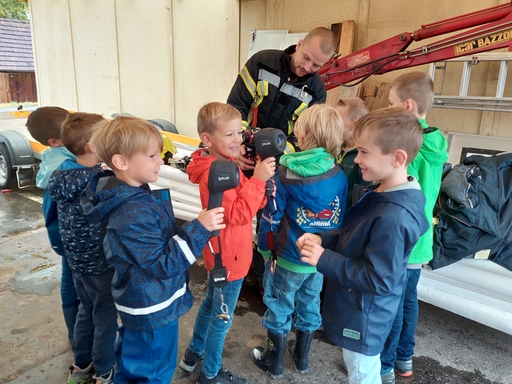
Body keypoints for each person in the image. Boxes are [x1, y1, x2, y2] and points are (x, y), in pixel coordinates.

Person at [80, 116, 226, 384]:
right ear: (121, 162)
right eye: (152, 156)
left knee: (135, 362)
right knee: (153, 372)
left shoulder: (130, 194)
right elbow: (163, 264)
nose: (161, 161)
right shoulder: (131, 211)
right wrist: (199, 229)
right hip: (152, 308)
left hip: (146, 302)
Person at [297, 108, 430, 384]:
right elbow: (355, 232)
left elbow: (378, 279)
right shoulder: (383, 190)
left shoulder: (395, 217)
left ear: (397, 158)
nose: (356, 159)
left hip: (364, 318)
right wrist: (325, 239)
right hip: (358, 309)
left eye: (364, 152)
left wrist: (324, 258)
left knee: (362, 373)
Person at [227, 26, 336, 289]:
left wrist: (274, 158)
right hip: (240, 156)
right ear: (299, 44)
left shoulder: (316, 92)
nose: (307, 67)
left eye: (316, 65)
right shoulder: (261, 62)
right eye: (306, 58)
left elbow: (304, 138)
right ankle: (231, 268)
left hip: (277, 166)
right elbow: (235, 107)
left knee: (267, 219)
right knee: (235, 215)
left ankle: (259, 276)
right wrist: (238, 145)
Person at [178, 102, 276, 384]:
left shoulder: (221, 163)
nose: (238, 140)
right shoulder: (215, 172)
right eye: (230, 135)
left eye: (240, 133)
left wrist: (256, 184)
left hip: (220, 252)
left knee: (210, 305)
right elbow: (239, 214)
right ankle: (210, 375)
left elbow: (241, 195)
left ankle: (192, 356)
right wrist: (258, 181)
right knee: (222, 317)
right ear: (207, 139)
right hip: (229, 256)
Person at [251, 104, 347, 379]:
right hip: (318, 260)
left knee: (279, 306)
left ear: (302, 137)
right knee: (309, 305)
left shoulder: (284, 173)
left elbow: (271, 217)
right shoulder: (339, 174)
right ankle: (302, 359)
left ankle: (274, 361)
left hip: (288, 258)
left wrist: (266, 251)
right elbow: (338, 217)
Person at [380, 71, 449, 384]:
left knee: (391, 305)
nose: (388, 107)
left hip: (403, 237)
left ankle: (384, 365)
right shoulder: (437, 142)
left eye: (392, 104)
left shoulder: (411, 142)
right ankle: (404, 360)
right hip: (422, 241)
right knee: (409, 301)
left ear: (407, 106)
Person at [47, 112, 117, 384]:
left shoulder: (60, 176)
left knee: (85, 312)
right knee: (105, 318)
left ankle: (80, 366)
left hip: (76, 263)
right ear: (92, 146)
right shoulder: (99, 180)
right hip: (101, 264)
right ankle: (103, 370)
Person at [25, 106, 79, 343]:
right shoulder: (66, 168)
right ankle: (77, 332)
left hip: (66, 235)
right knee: (72, 280)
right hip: (73, 236)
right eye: (70, 132)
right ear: (54, 140)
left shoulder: (52, 157)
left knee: (70, 278)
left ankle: (75, 332)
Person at [335, 97, 370, 211]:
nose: (332, 124)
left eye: (337, 120)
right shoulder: (337, 149)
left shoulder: (364, 159)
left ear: (355, 125)